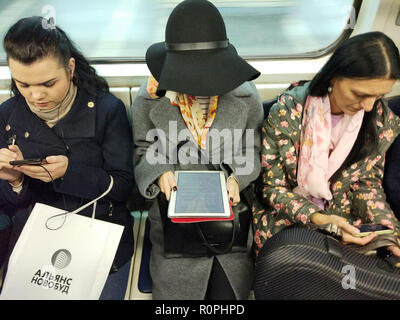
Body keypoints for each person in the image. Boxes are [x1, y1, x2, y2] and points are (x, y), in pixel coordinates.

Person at [131, 0, 263, 299]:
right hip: (174, 221)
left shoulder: (245, 96)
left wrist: (235, 178)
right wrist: (159, 171)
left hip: (229, 222)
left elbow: (251, 148)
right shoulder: (150, 99)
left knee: (229, 297)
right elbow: (143, 148)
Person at [0, 16, 134, 299]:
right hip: (34, 236)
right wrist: (15, 182)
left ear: (70, 68)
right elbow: (11, 205)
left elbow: (124, 188)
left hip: (98, 232)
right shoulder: (9, 114)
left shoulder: (106, 110)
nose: (36, 95)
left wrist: (68, 173)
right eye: (22, 85)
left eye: (48, 83)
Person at [253, 31, 400, 264]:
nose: (369, 106)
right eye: (360, 94)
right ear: (334, 77)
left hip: (346, 218)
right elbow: (271, 188)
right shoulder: (288, 112)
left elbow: (367, 183)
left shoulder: (381, 121)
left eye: (379, 96)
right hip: (287, 217)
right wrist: (322, 220)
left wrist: (387, 232)